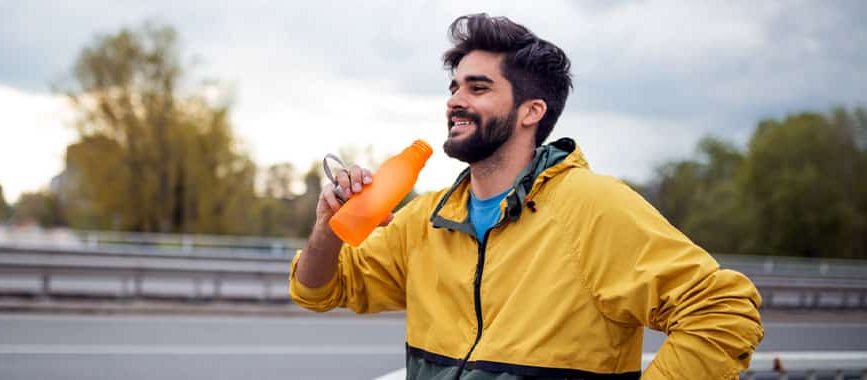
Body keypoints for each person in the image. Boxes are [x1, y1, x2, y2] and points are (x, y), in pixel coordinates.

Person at [290, 13, 763, 380]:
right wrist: (327, 226)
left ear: (531, 111)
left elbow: (722, 311)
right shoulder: (428, 217)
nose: (455, 100)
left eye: (479, 88)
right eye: (454, 87)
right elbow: (318, 289)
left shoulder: (592, 206)